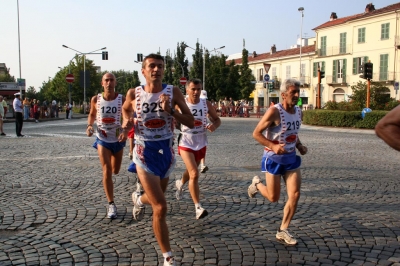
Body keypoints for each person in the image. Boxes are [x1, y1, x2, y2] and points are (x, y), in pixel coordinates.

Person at [121, 53, 194, 266]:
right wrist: (127, 122)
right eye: (152, 66)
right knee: (161, 207)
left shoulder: (174, 92)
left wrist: (170, 110)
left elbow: (190, 120)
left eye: (160, 66)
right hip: (144, 152)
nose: (156, 69)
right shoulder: (134, 93)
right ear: (143, 71)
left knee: (155, 199)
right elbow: (125, 110)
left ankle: (138, 199)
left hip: (166, 153)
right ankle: (168, 258)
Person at [247, 78, 308, 246]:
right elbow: (256, 133)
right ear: (283, 94)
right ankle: (257, 184)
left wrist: (299, 145)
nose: (296, 95)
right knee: (274, 197)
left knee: (295, 194)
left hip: (290, 159)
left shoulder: (298, 112)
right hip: (273, 159)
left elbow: (292, 133)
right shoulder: (274, 112)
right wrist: (272, 146)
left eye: (298, 91)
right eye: (293, 92)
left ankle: (283, 229)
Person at [175, 79, 221, 220]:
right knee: (194, 173)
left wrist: (214, 126)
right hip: (186, 142)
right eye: (193, 89)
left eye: (198, 89)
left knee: (191, 171)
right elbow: (173, 120)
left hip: (201, 142)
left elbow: (217, 120)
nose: (196, 92)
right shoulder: (181, 104)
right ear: (187, 90)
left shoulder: (205, 104)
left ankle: (180, 183)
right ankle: (198, 207)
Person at [86, 72, 126, 219]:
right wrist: (90, 125)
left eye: (111, 80)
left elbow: (128, 115)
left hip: (118, 138)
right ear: (102, 83)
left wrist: (126, 128)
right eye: (106, 80)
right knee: (107, 170)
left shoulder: (122, 99)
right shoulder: (96, 99)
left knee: (115, 170)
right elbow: (91, 114)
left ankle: (111, 202)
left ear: (115, 83)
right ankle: (111, 204)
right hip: (102, 137)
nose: (109, 83)